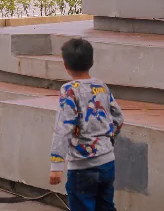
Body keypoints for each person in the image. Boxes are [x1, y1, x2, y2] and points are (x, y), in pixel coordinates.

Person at [49, 38, 124, 211]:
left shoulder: (69, 90)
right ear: (92, 61)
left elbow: (63, 127)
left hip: (82, 167)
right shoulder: (102, 87)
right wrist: (108, 141)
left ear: (65, 65)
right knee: (105, 206)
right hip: (107, 163)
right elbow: (118, 118)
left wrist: (56, 165)